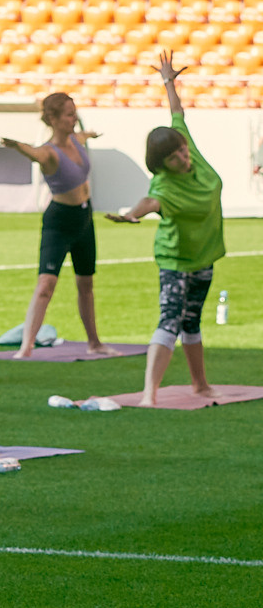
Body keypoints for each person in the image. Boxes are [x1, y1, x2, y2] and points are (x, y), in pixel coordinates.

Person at [108, 51, 225, 405]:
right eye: (174, 157)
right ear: (162, 164)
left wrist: (168, 81)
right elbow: (150, 203)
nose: (183, 157)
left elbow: (177, 114)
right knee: (170, 320)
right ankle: (149, 393)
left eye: (182, 150)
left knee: (192, 322)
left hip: (204, 255)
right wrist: (131, 215)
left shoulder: (190, 151)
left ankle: (200, 385)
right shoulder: (164, 184)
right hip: (176, 259)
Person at [2, 93, 114, 359]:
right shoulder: (49, 152)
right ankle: (26, 347)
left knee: (86, 284)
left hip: (85, 218)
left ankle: (94, 342)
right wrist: (17, 145)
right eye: (68, 114)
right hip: (60, 220)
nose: (73, 118)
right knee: (46, 285)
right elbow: (34, 153)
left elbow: (83, 135)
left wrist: (91, 134)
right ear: (52, 119)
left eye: (74, 113)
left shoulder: (77, 140)